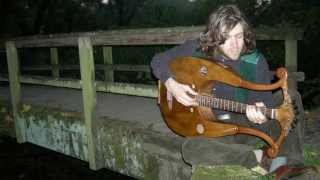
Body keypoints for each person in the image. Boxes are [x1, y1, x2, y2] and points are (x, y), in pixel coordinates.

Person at [151, 4, 309, 179]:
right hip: (215, 127)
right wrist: (172, 84)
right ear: (215, 37)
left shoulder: (254, 62)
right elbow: (158, 60)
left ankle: (291, 164)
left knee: (291, 97)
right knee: (190, 148)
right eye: (226, 38)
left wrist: (260, 114)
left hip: (244, 125)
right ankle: (256, 158)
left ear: (245, 35)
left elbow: (264, 105)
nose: (234, 45)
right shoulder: (199, 49)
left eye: (239, 36)